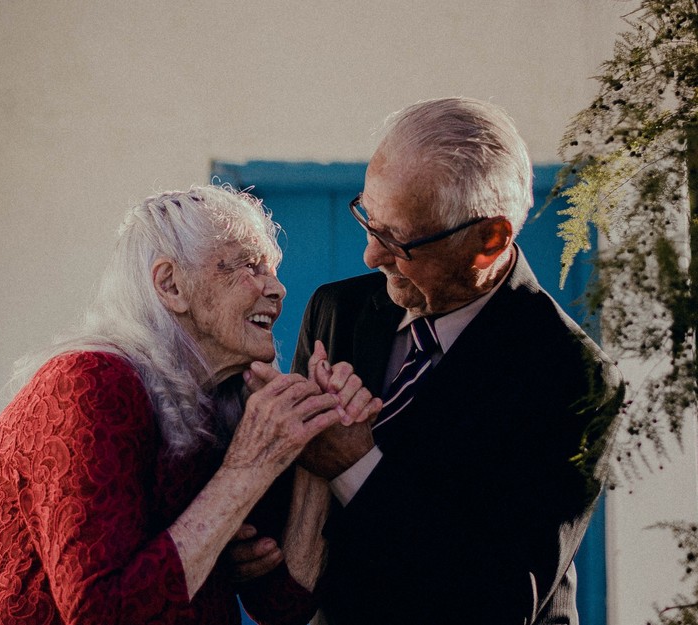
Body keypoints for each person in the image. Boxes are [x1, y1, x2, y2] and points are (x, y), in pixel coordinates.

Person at [235, 98, 625, 625]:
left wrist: (356, 463)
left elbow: (504, 599)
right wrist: (250, 534)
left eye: (398, 239)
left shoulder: (572, 375)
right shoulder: (338, 310)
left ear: (489, 240)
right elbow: (306, 501)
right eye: (369, 221)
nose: (371, 255)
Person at [0, 185, 374, 625]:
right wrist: (248, 468)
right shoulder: (89, 383)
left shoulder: (225, 404)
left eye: (271, 269)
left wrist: (313, 442)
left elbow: (283, 604)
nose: (277, 289)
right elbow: (103, 612)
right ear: (171, 285)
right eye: (250, 266)